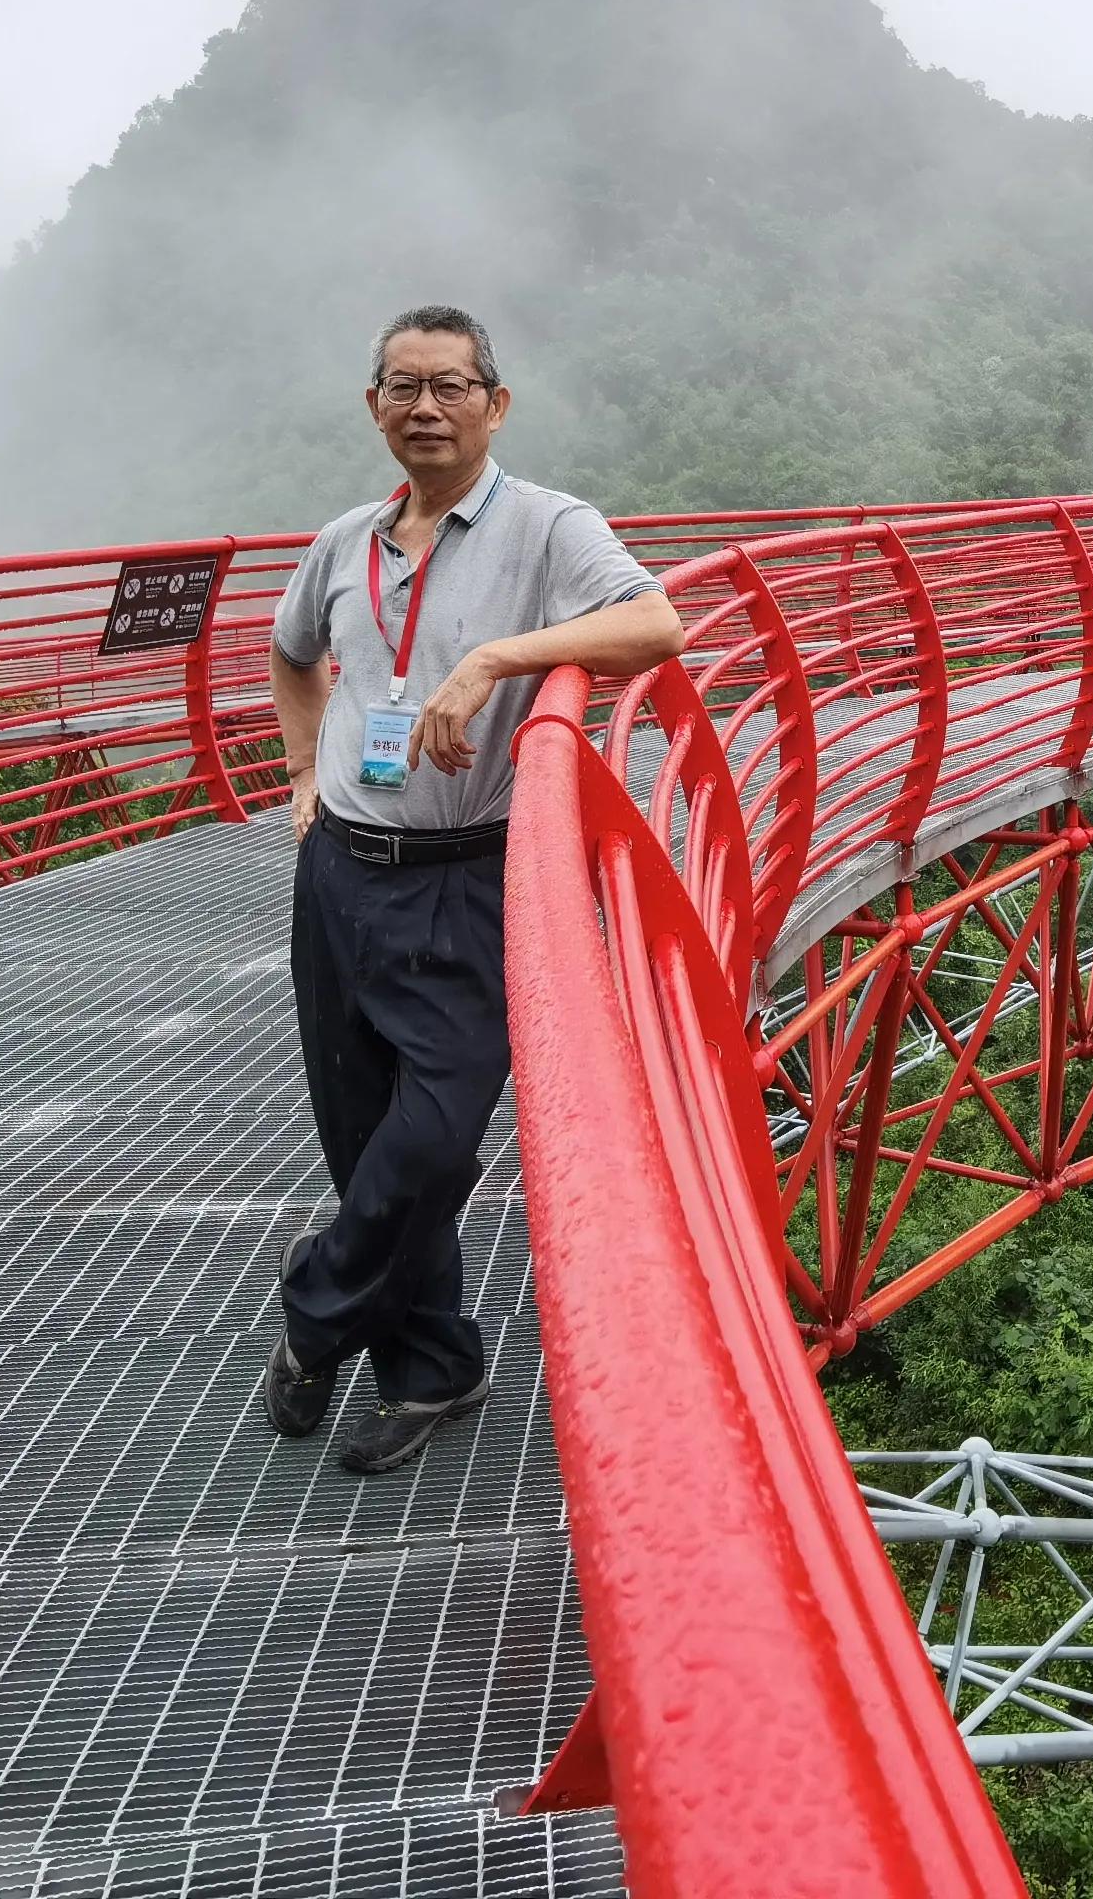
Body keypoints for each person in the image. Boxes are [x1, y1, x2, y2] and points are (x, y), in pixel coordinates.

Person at [259, 304, 683, 1473]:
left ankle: (315, 1311)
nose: (425, 408)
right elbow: (292, 653)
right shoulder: (346, 541)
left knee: (435, 1140)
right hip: (341, 870)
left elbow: (656, 623)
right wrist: (302, 772)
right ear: (373, 406)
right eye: (403, 387)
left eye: (451, 387)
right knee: (364, 1139)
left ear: (496, 405)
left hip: (468, 878)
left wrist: (497, 658)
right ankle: (434, 1366)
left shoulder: (549, 527)